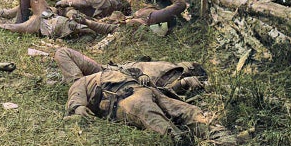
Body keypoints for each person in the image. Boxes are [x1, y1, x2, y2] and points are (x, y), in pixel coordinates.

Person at [56, 47, 238, 146]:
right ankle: (175, 135)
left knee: (182, 108)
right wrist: (78, 107)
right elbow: (75, 98)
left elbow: (144, 76)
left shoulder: (115, 69)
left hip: (146, 89)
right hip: (123, 99)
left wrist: (141, 77)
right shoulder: (82, 82)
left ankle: (218, 134)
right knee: (145, 111)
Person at [53, 47, 206, 97]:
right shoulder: (166, 65)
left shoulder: (174, 84)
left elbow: (160, 96)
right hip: (106, 69)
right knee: (62, 52)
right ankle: (78, 86)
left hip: (112, 81)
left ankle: (78, 89)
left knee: (63, 54)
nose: (186, 66)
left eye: (190, 66)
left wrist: (185, 82)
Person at [0, 0, 109, 39]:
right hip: (55, 14)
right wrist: (67, 7)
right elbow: (79, 5)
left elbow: (79, 5)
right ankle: (4, 15)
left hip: (52, 17)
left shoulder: (103, 4)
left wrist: (66, 5)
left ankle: (6, 19)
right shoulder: (101, 5)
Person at [64, 0, 187, 37]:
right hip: (118, 26)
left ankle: (83, 21)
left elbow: (180, 5)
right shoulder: (151, 13)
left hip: (123, 29)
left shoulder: (155, 15)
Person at [55, 0, 131, 19]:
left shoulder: (110, 12)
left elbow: (84, 1)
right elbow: (83, 1)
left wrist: (66, 2)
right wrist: (65, 2)